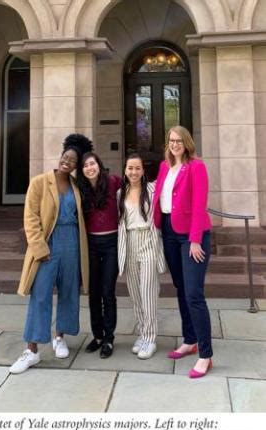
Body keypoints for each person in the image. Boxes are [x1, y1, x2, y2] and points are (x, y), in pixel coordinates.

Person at [9, 134, 92, 374]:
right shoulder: (39, 182)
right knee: (41, 295)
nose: (68, 162)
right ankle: (32, 350)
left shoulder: (77, 187)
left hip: (72, 244)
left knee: (69, 292)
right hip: (47, 244)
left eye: (73, 160)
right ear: (61, 157)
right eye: (66, 157)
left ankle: (60, 337)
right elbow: (31, 217)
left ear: (77, 166)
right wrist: (39, 247)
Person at [153, 125, 213, 378]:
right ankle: (190, 340)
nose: (174, 144)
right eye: (170, 140)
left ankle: (206, 355)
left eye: (178, 140)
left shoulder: (197, 167)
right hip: (168, 231)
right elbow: (160, 195)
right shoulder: (165, 166)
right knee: (180, 288)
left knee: (194, 294)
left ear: (187, 142)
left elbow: (200, 204)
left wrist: (196, 240)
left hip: (191, 235)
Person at [118, 153, 165, 359]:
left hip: (148, 242)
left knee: (148, 292)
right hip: (129, 243)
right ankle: (142, 333)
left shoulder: (152, 190)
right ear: (125, 170)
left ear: (143, 171)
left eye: (137, 168)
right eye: (130, 168)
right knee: (135, 293)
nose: (134, 172)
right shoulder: (121, 193)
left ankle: (150, 337)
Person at [76, 152, 122, 358]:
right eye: (85, 165)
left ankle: (109, 339)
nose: (89, 168)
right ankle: (97, 336)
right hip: (91, 245)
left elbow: (135, 185)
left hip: (112, 243)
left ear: (99, 164)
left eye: (92, 163)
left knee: (107, 292)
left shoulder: (112, 182)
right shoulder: (81, 189)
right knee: (93, 293)